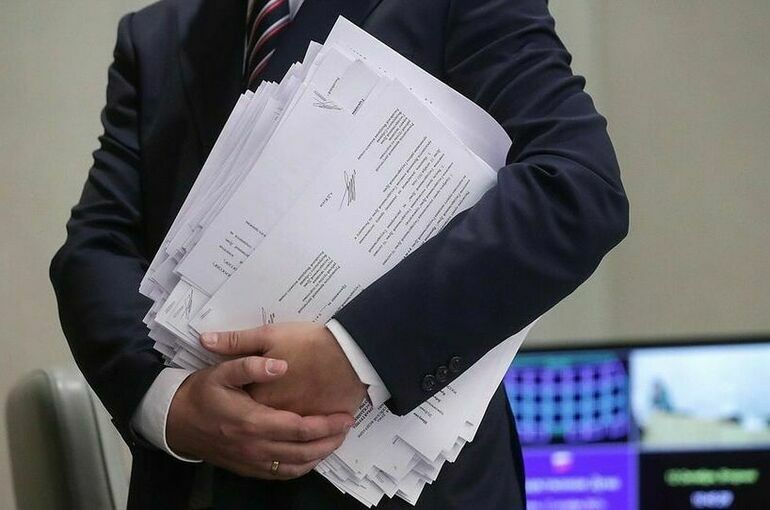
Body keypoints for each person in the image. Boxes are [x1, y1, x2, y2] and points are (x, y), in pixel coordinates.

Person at [50, 0, 629, 508]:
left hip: (401, 487)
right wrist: (168, 404)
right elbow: (96, 247)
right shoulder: (158, 35)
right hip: (198, 483)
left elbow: (575, 187)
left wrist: (357, 350)